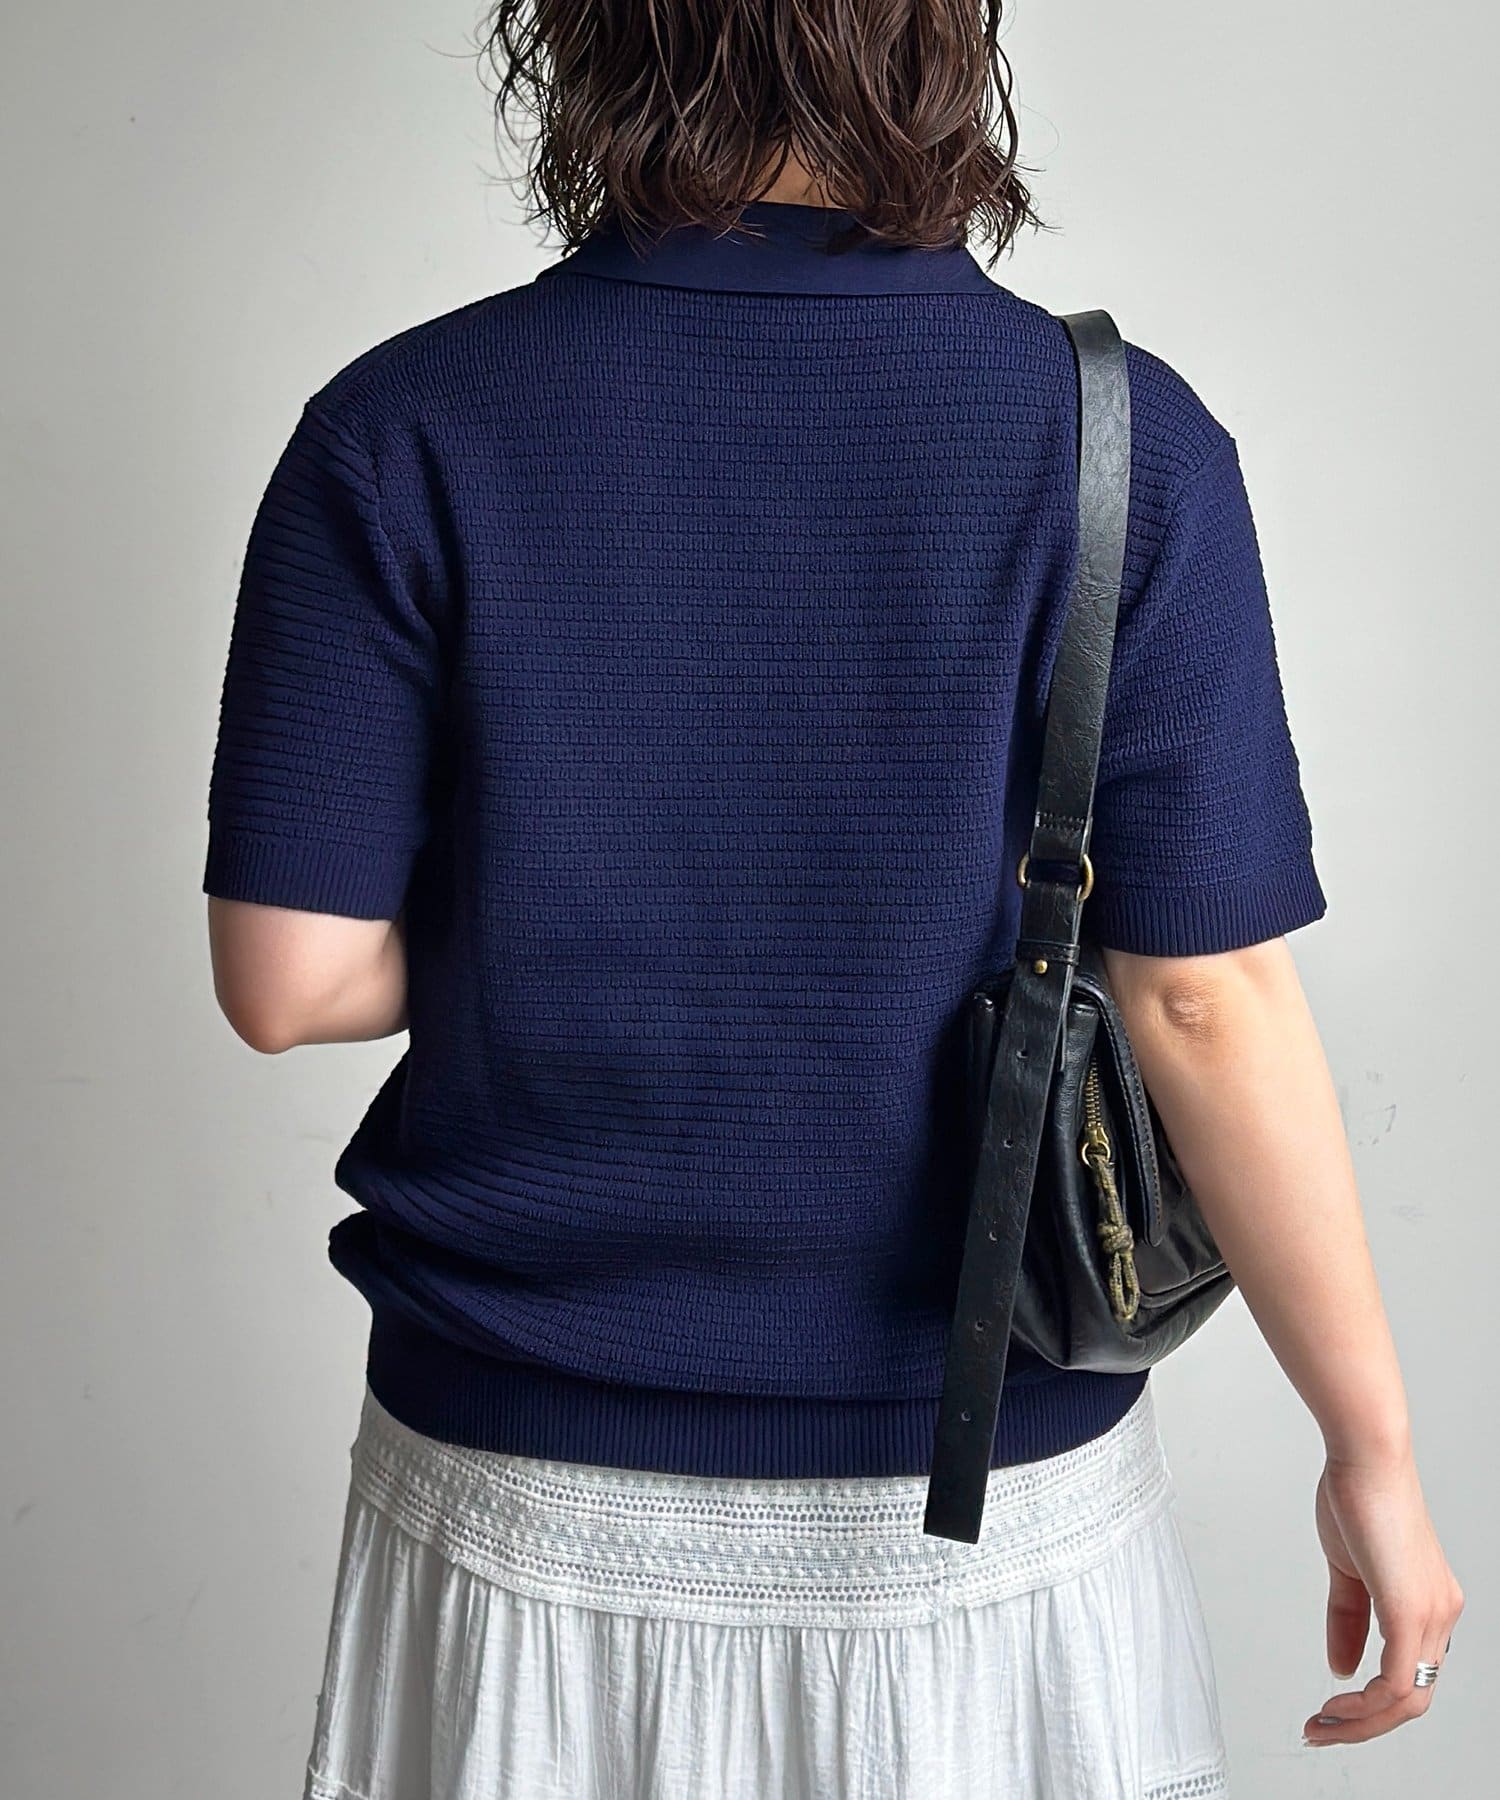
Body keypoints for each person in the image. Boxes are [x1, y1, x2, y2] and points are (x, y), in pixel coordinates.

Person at [201, 3, 1462, 1795]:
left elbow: (287, 979)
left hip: (517, 1498)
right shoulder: (1123, 440)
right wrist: (1372, 1447)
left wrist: (558, 901)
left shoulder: (400, 425)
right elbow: (1203, 998)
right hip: (988, 1521)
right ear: (939, 40)